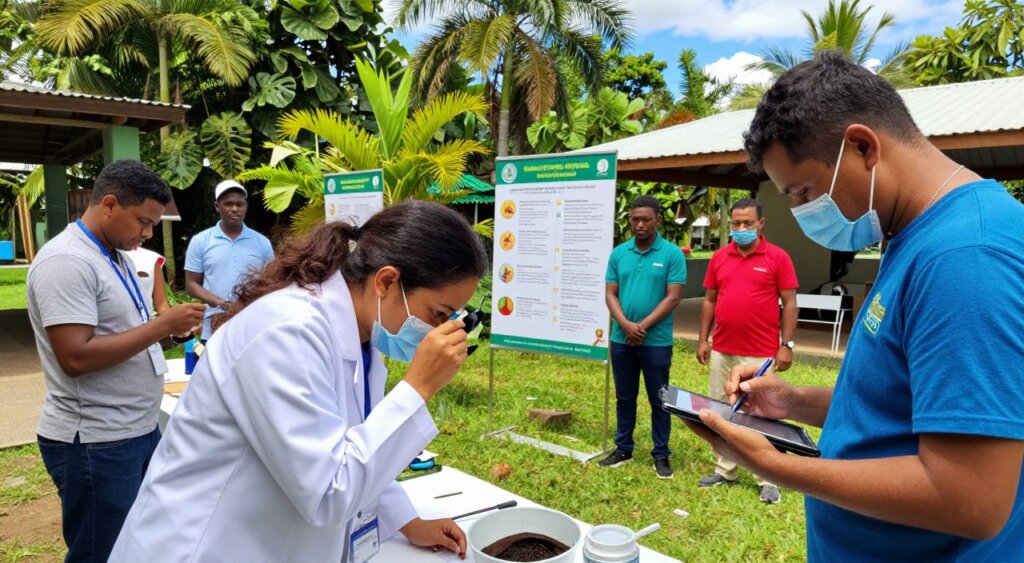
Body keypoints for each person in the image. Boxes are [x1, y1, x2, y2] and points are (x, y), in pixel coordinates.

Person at [683, 51, 1024, 560]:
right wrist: (793, 403)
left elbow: (971, 500)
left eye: (803, 191)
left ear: (863, 146)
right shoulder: (914, 234)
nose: (799, 212)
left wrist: (774, 466)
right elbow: (899, 408)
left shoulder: (964, 258)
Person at [109, 201, 489, 562]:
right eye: (438, 313)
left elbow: (352, 439)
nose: (441, 329)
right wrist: (418, 388)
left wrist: (407, 521)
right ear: (386, 282)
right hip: (202, 545)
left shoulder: (360, 339)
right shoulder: (287, 331)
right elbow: (327, 492)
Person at [26, 160, 206, 563]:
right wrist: (162, 327)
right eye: (142, 221)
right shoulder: (67, 262)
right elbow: (75, 356)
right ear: (109, 205)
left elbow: (124, 332)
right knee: (100, 551)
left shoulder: (116, 255)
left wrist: (171, 331)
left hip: (133, 429)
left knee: (135, 541)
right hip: (95, 440)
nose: (147, 233)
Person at [695, 198, 798, 504]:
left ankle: (767, 477)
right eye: (736, 224)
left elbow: (790, 303)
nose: (741, 229)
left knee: (760, 414)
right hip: (723, 349)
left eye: (747, 223)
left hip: (760, 352)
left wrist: (786, 345)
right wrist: (703, 340)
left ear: (760, 224)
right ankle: (725, 469)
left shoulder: (777, 257)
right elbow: (709, 300)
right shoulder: (719, 257)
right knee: (720, 410)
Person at [599, 195, 686, 479]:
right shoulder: (619, 253)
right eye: (635, 219)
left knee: (660, 399)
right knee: (625, 398)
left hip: (656, 343)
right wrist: (625, 324)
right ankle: (623, 448)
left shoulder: (672, 254)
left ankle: (661, 454)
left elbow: (672, 298)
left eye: (646, 219)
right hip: (621, 340)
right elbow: (611, 293)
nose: (639, 225)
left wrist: (641, 327)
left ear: (657, 220)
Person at [184, 179, 274, 341]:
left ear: (246, 207)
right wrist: (217, 302)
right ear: (217, 207)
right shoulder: (201, 241)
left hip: (253, 321)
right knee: (215, 365)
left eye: (240, 204)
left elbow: (271, 281)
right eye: (228, 204)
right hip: (215, 321)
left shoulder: (262, 242)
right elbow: (191, 284)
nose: (234, 209)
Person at [123, 245, 170, 317]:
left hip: (146, 323)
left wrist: (170, 324)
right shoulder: (101, 258)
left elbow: (161, 303)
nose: (147, 235)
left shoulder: (152, 258)